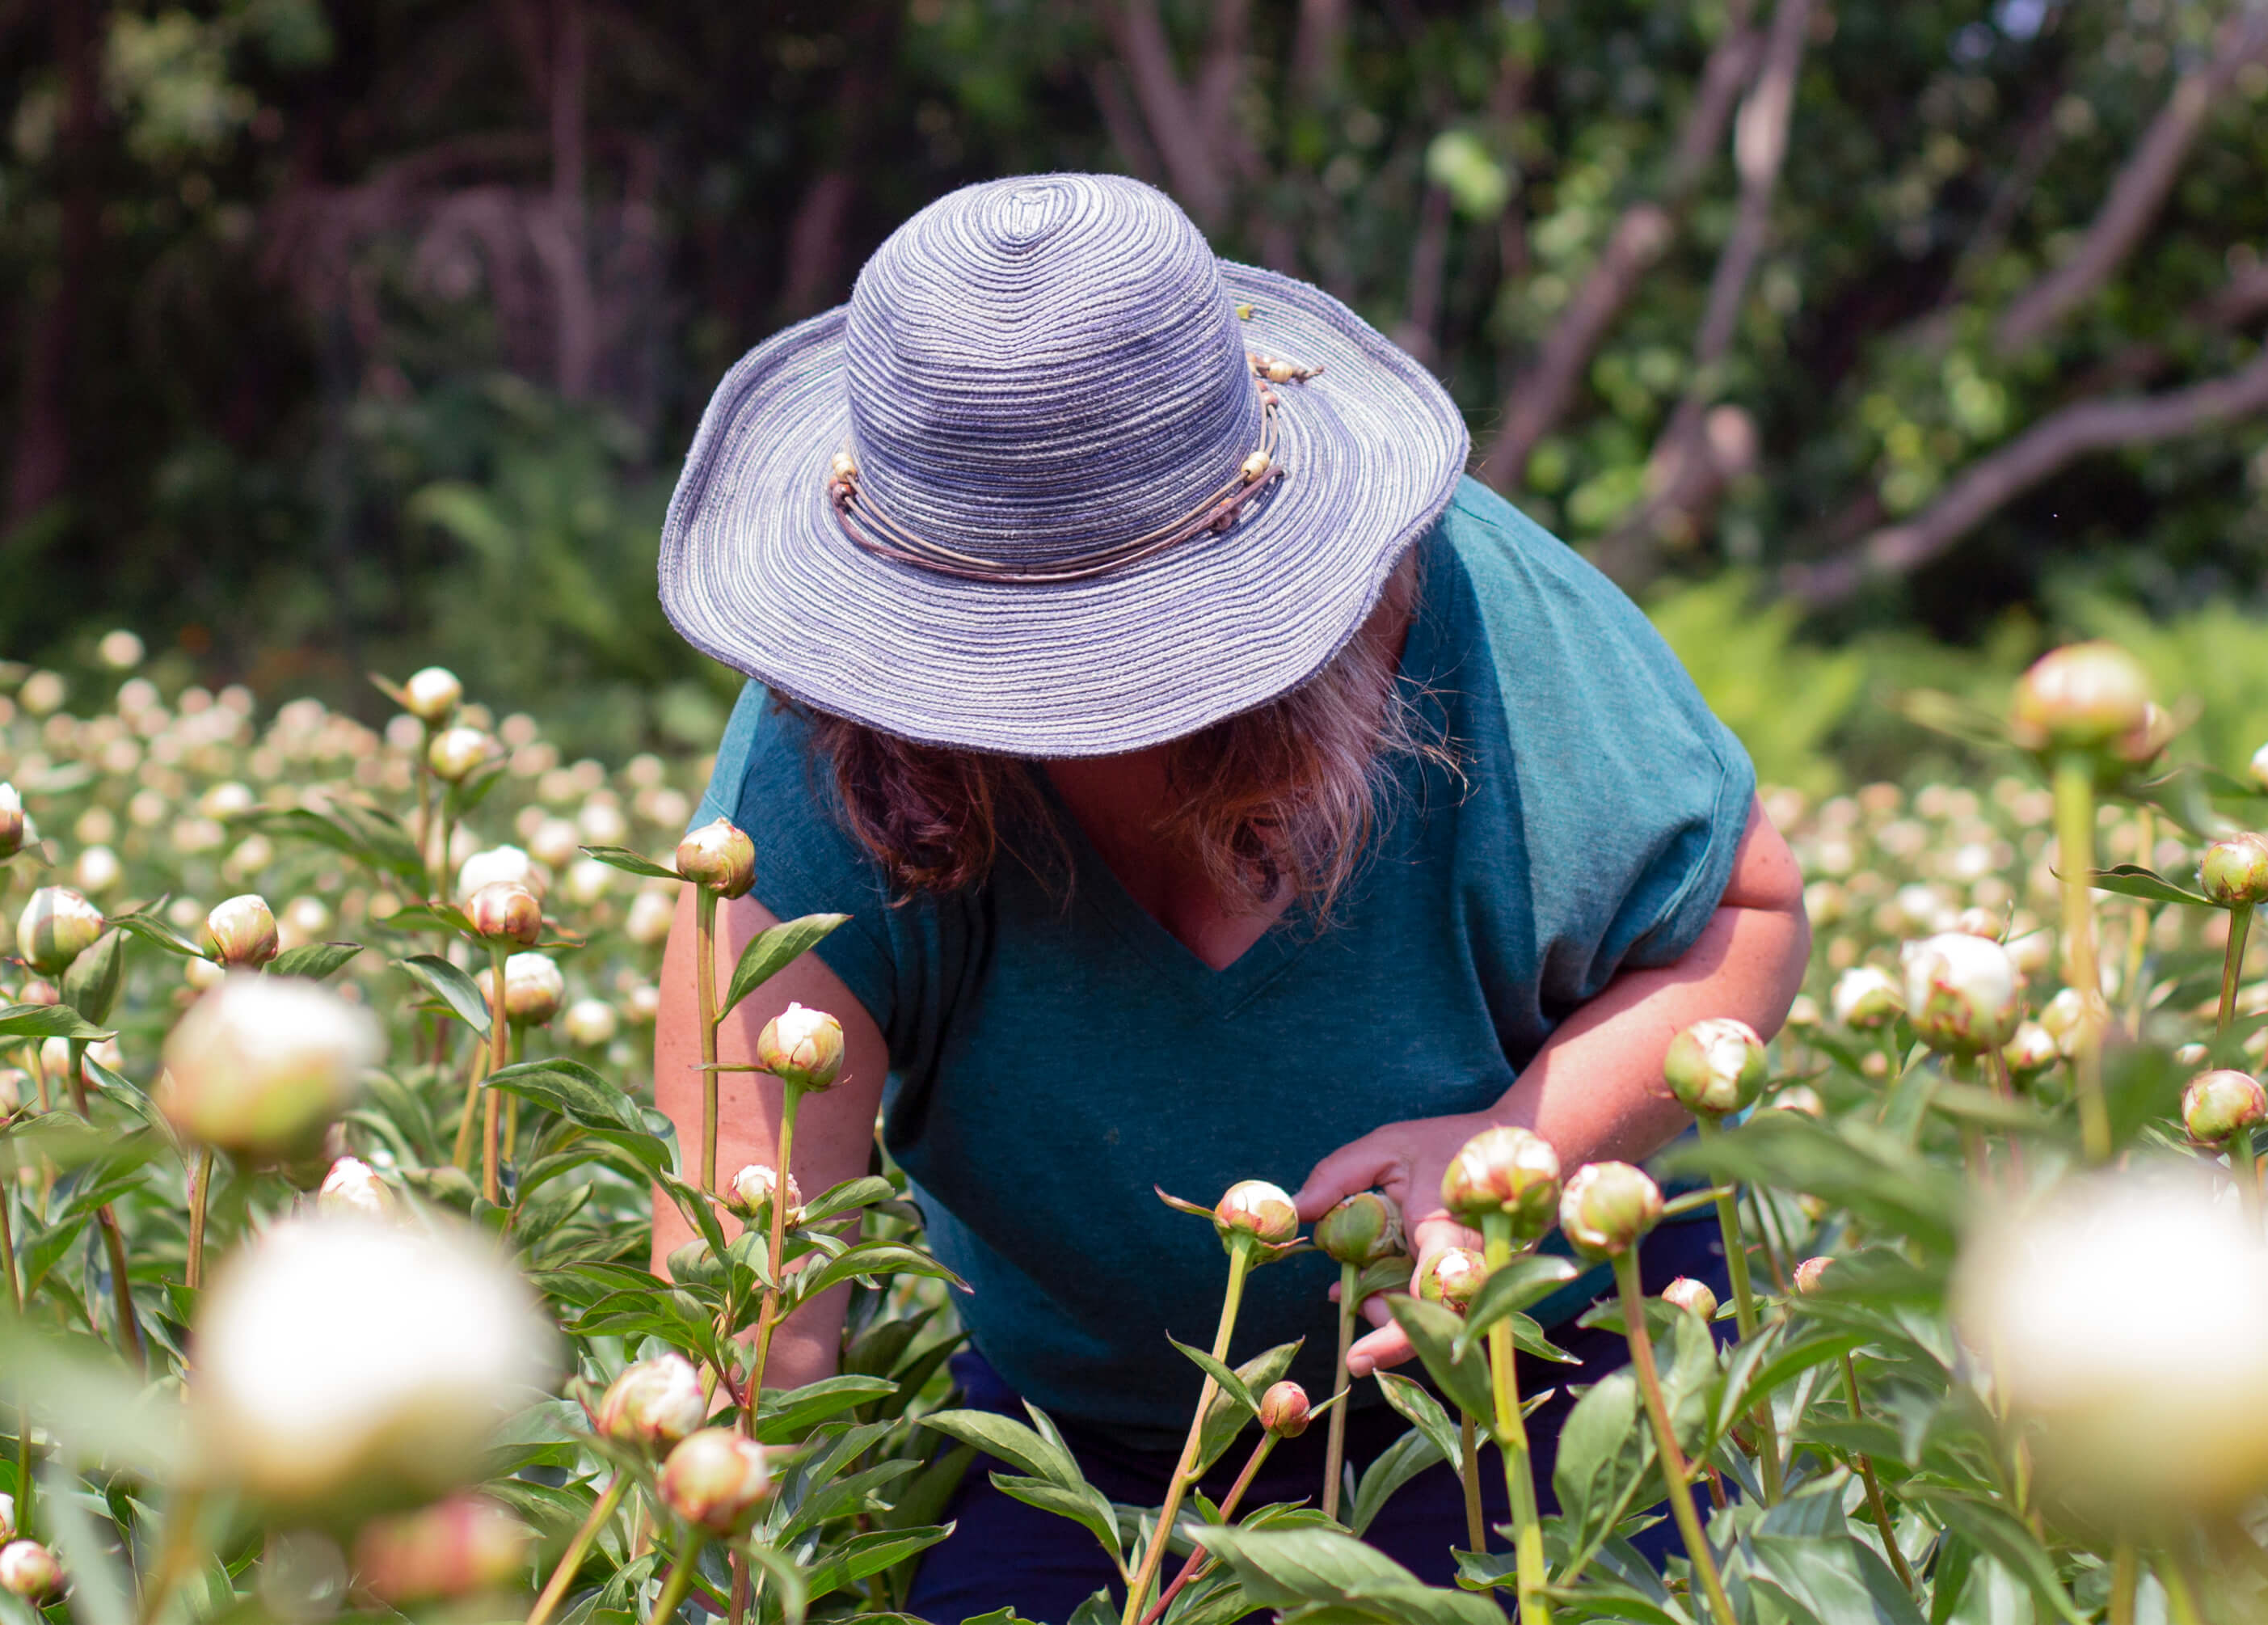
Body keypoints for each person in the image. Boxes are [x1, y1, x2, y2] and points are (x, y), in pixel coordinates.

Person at [652, 173, 1807, 1619]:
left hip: (1544, 1366)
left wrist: (1520, 1143)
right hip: (1090, 1443)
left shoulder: (1504, 632)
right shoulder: (821, 763)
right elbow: (753, 1298)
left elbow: (1747, 915)